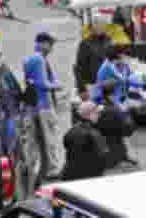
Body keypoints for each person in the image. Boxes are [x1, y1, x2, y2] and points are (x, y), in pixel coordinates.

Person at [24, 32, 64, 179]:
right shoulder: (38, 59)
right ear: (41, 44)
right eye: (50, 44)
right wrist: (57, 86)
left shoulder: (33, 59)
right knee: (49, 139)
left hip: (37, 104)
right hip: (43, 105)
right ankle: (52, 170)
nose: (51, 48)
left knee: (39, 140)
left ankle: (38, 169)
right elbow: (42, 84)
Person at [95, 79, 137, 171]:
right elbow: (128, 131)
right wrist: (127, 113)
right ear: (113, 94)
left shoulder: (98, 106)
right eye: (119, 91)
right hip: (113, 153)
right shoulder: (115, 111)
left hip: (101, 149)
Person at [62, 102, 109, 181]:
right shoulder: (94, 133)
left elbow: (66, 146)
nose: (98, 115)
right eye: (96, 113)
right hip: (89, 177)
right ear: (89, 115)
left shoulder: (70, 132)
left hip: (69, 176)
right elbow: (104, 157)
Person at [74, 22, 110, 100]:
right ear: (92, 28)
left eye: (102, 25)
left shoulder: (109, 41)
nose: (100, 28)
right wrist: (81, 89)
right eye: (97, 26)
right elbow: (79, 68)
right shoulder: (85, 44)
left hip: (109, 84)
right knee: (94, 108)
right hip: (92, 84)